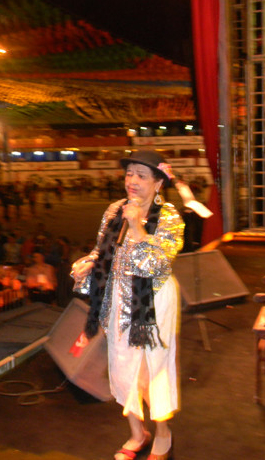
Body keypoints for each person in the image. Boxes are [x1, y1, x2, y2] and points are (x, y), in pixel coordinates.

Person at [71, 150, 184, 460]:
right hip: (117, 297)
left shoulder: (170, 217)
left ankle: (163, 433)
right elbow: (101, 251)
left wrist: (137, 228)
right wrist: (88, 264)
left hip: (153, 305)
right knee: (122, 367)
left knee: (154, 369)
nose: (132, 181)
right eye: (129, 174)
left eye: (141, 176)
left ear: (158, 183)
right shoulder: (114, 209)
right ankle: (137, 432)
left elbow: (156, 266)